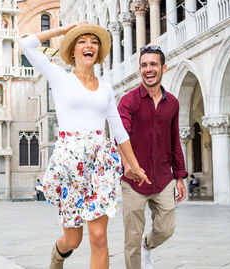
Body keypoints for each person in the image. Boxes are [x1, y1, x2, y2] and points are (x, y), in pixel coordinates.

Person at [20, 22, 149, 269]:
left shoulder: (106, 88)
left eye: (94, 41)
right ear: (73, 51)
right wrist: (63, 30)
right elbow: (26, 44)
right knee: (73, 239)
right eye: (82, 41)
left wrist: (134, 165)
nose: (88, 45)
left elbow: (119, 130)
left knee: (99, 238)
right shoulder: (59, 76)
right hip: (69, 162)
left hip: (100, 162)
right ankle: (58, 255)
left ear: (98, 52)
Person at [117, 45, 188, 269]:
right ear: (140, 70)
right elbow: (121, 134)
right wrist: (127, 164)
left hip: (163, 178)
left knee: (166, 228)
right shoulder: (128, 101)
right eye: (144, 65)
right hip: (133, 179)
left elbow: (174, 140)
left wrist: (179, 176)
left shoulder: (173, 103)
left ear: (163, 68)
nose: (149, 69)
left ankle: (147, 246)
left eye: (154, 64)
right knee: (131, 238)